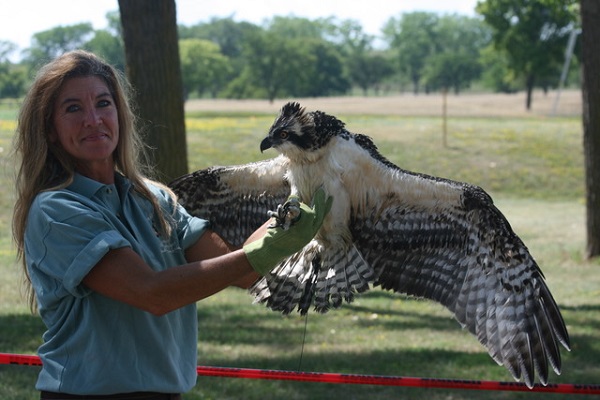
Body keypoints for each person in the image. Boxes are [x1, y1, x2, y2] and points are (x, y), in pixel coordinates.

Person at [12, 50, 332, 400]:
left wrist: (292, 213)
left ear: (119, 114)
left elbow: (241, 271)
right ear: (51, 130)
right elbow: (153, 293)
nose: (93, 119)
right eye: (73, 108)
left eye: (103, 103)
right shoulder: (56, 209)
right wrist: (266, 248)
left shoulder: (154, 198)